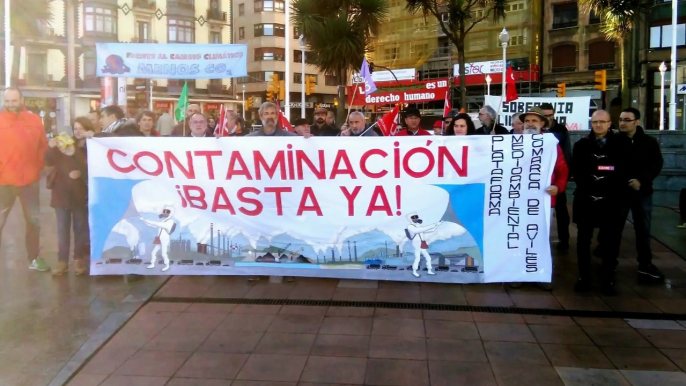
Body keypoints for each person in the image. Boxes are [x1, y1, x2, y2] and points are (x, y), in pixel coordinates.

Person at [572, 109, 632, 296]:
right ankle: (583, 277)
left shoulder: (622, 143)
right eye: (595, 122)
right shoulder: (582, 144)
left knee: (610, 242)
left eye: (602, 122)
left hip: (611, 199)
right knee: (583, 241)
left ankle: (608, 279)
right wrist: (602, 171)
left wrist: (602, 171)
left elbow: (623, 168)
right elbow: (578, 169)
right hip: (586, 198)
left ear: (609, 123)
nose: (598, 125)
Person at [509, 107, 569, 290]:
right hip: (517, 200)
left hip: (542, 200)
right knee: (518, 237)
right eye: (527, 121)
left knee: (541, 239)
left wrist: (558, 186)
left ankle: (540, 274)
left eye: (535, 121)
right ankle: (519, 273)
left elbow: (562, 170)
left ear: (543, 124)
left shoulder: (551, 144)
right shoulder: (513, 142)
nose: (530, 124)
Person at [0, 87, 49, 271]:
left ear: (21, 100)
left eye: (14, 101)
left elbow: (42, 147)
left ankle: (34, 259)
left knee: (34, 221)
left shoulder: (35, 120)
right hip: (4, 182)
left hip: (29, 181)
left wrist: (37, 167)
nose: (11, 105)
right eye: (7, 101)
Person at [616, 107, 665, 283]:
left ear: (636, 122)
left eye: (626, 120)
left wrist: (641, 180)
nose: (622, 123)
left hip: (642, 192)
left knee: (643, 229)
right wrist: (624, 181)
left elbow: (656, 164)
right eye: (620, 119)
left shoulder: (649, 142)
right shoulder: (614, 141)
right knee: (615, 228)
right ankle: (610, 263)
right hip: (620, 192)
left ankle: (645, 264)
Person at [45, 117, 92, 276]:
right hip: (61, 193)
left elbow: (92, 168)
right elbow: (48, 160)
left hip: (80, 194)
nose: (78, 132)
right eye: (76, 129)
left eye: (82, 129)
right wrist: (50, 148)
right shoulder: (63, 142)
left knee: (80, 228)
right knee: (62, 228)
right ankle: (62, 261)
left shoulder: (90, 146)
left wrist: (81, 173)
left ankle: (78, 259)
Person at [540, 103, 572, 250]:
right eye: (545, 115)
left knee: (561, 212)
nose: (548, 117)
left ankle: (564, 239)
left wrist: (559, 181)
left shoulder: (561, 130)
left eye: (550, 114)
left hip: (554, 179)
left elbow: (565, 154)